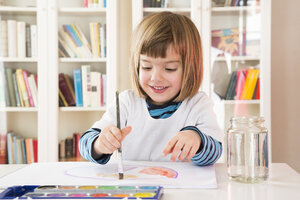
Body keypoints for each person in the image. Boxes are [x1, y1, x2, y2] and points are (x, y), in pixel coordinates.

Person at [79, 12, 223, 166]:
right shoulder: (127, 102)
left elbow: (215, 152)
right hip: (135, 187)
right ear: (137, 66)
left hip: (182, 188)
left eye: (169, 68)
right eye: (146, 67)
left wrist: (197, 139)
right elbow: (85, 142)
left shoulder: (198, 104)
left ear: (190, 68)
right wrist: (99, 145)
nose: (156, 77)